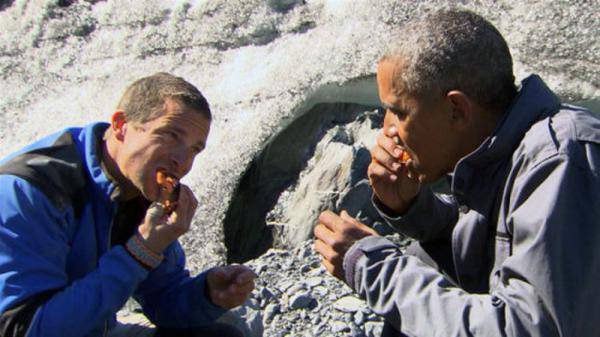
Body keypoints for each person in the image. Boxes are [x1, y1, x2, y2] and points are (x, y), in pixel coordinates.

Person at [314, 9, 600, 337]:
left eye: (399, 112)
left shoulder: (561, 160)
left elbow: (531, 328)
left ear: (457, 110)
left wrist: (374, 269)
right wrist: (412, 208)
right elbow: (488, 243)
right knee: (425, 256)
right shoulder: (502, 150)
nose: (387, 129)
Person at [0, 73, 255, 337]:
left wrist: (208, 294)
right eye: (170, 135)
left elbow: (161, 298)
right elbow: (24, 328)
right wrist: (140, 252)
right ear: (121, 125)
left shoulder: (140, 187)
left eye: (194, 149)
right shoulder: (30, 191)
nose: (182, 161)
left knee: (225, 330)